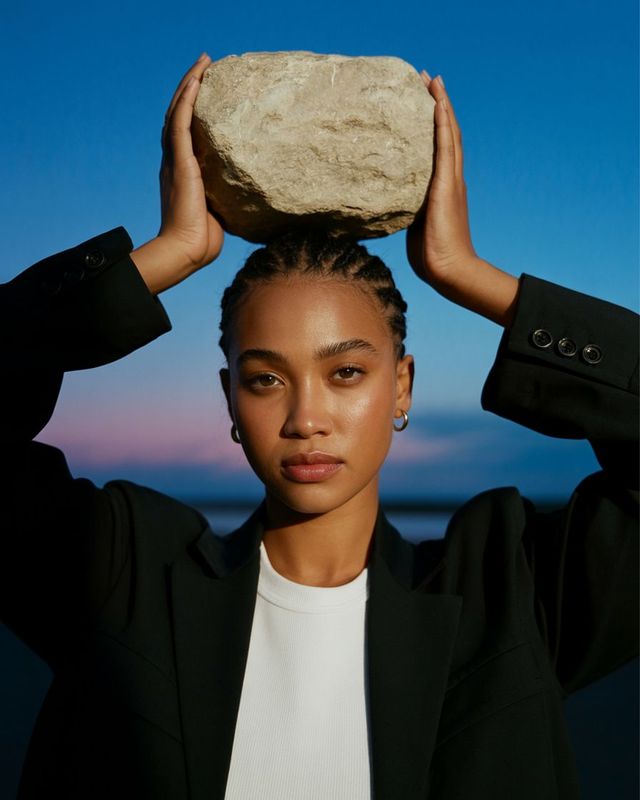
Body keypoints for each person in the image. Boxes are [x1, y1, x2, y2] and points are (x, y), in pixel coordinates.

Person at [1, 52, 637, 800]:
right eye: (265, 379)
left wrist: (469, 274)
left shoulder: (514, 597)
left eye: (346, 373)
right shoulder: (122, 579)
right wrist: (163, 257)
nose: (306, 419)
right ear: (229, 399)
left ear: (402, 387)